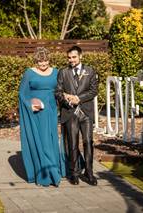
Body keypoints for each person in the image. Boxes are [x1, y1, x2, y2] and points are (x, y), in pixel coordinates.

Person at [18, 47, 65, 187]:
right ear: (36, 61)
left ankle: (54, 169)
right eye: (40, 62)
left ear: (49, 60)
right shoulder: (29, 73)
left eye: (45, 62)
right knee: (43, 141)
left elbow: (61, 90)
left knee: (51, 140)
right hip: (37, 112)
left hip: (51, 110)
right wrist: (30, 104)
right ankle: (48, 174)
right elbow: (22, 93)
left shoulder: (56, 72)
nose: (43, 65)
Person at [55, 45, 98, 186]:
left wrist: (79, 98)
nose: (71, 60)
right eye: (69, 57)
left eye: (74, 57)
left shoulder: (90, 71)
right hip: (70, 112)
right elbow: (58, 92)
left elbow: (93, 91)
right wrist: (67, 100)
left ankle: (89, 172)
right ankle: (74, 173)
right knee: (72, 144)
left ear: (80, 56)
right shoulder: (63, 72)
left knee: (88, 142)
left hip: (86, 113)